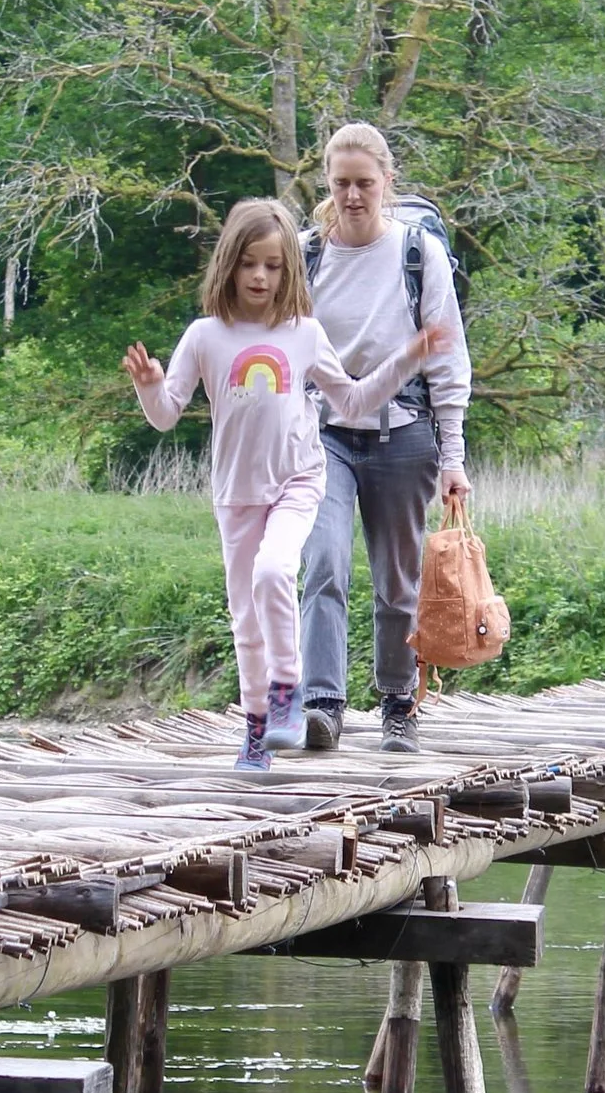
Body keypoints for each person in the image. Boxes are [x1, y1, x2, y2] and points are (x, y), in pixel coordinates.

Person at [126, 198, 444, 771]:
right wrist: (150, 386)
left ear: (289, 271)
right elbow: (166, 413)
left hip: (297, 481)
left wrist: (406, 360)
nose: (260, 277)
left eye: (273, 266)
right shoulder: (204, 336)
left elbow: (350, 400)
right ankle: (255, 728)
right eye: (250, 264)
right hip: (236, 494)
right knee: (245, 617)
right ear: (229, 265)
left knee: (277, 571)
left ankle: (286, 700)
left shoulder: (304, 333)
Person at [296, 122, 474, 755]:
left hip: (403, 433)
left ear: (387, 182)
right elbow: (283, 349)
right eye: (341, 184)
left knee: (396, 578)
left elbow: (449, 364)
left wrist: (453, 455)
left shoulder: (417, 253)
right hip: (323, 434)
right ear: (327, 183)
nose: (351, 196)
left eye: (364, 184)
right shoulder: (305, 253)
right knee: (322, 563)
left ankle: (398, 703)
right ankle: (321, 704)